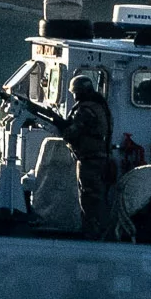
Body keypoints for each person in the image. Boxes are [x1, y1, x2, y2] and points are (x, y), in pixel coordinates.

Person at [61, 70, 120, 237]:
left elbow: (72, 133)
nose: (74, 96)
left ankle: (93, 232)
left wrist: (61, 127)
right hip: (100, 159)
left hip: (90, 161)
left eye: (75, 93)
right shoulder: (99, 107)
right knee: (97, 195)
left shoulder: (86, 111)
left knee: (89, 197)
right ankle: (98, 230)